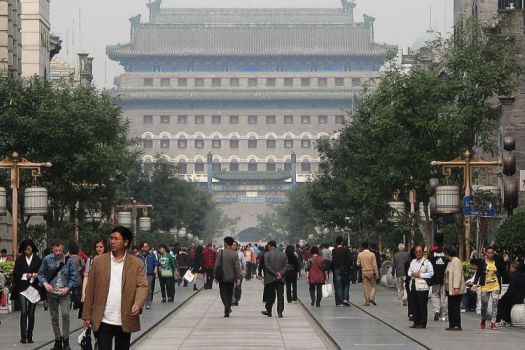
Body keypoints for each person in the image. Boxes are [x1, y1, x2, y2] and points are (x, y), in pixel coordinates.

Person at [82, 226, 149, 350]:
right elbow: (90, 289)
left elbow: (143, 285)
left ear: (125, 242)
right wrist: (87, 315)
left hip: (124, 318)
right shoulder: (98, 261)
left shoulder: (136, 264)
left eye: (116, 239)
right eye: (111, 238)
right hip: (103, 319)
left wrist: (138, 303)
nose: (112, 241)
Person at [38, 240, 78, 350]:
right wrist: (45, 283)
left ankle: (66, 339)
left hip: (64, 293)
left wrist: (67, 288)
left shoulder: (68, 261)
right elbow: (40, 274)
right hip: (52, 293)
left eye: (60, 250)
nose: (58, 253)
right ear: (52, 249)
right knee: (54, 317)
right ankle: (58, 340)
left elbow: (74, 277)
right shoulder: (47, 259)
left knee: (65, 315)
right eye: (56, 251)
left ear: (63, 249)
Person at [11, 239, 43, 344]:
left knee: (31, 313)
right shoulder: (20, 260)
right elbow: (16, 273)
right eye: (25, 249)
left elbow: (42, 273)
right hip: (22, 288)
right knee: (24, 311)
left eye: (29, 249)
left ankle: (30, 335)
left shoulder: (38, 260)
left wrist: (36, 275)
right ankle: (23, 336)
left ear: (32, 249)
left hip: (34, 288)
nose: (27, 251)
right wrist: (26, 275)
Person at [472, 245, 503, 330]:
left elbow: (500, 273)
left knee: (495, 304)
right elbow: (478, 273)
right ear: (486, 253)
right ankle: (483, 319)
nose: (490, 254)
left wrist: (499, 286)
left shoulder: (497, 262)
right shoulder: (482, 262)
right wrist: (475, 283)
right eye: (489, 253)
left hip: (495, 285)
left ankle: (493, 322)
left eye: (492, 253)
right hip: (485, 286)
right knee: (484, 305)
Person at [407, 244, 434, 329]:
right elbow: (409, 272)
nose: (418, 253)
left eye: (420, 251)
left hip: (423, 287)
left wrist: (421, 275)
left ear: (422, 252)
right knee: (414, 304)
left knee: (422, 305)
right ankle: (416, 321)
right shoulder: (413, 262)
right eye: (416, 251)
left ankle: (422, 322)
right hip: (414, 285)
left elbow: (431, 273)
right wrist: (412, 274)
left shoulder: (427, 262)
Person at [214, 236, 241, 317]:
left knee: (223, 293)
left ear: (225, 243)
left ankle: (226, 306)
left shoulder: (220, 253)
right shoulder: (234, 254)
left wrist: (215, 276)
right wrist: (238, 277)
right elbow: (237, 267)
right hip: (231, 278)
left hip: (222, 277)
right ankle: (228, 306)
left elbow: (217, 265)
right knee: (230, 293)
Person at [262, 240, 288, 318]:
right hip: (280, 278)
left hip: (270, 278)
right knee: (280, 296)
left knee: (270, 295)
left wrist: (275, 273)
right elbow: (286, 266)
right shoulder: (283, 255)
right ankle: (280, 312)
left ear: (269, 246)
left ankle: (269, 311)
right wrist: (280, 273)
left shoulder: (266, 254)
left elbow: (267, 266)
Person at [443, 244, 465, 331]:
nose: (444, 255)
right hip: (449, 289)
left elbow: (457, 275)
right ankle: (452, 324)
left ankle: (457, 324)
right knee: (451, 307)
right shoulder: (450, 262)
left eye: (445, 253)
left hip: (455, 289)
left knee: (455, 307)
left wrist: (456, 287)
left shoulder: (456, 261)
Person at [496, 262, 525, 326]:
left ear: (514, 268)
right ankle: (507, 320)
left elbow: (511, 291)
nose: (509, 268)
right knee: (506, 304)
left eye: (511, 267)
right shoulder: (523, 275)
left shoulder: (513, 276)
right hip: (521, 297)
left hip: (515, 297)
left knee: (501, 302)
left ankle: (498, 320)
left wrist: (504, 296)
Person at [429, 236, 448, 322]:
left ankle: (436, 311)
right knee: (443, 295)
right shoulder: (446, 250)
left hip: (435, 276)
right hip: (444, 276)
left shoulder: (432, 250)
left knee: (435, 294)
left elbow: (429, 262)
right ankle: (443, 315)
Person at [137, 241, 158, 309]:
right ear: (141, 248)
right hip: (141, 274)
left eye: (147, 247)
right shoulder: (139, 256)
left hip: (149, 274)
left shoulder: (151, 255)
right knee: (141, 288)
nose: (146, 248)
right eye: (144, 247)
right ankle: (141, 302)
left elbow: (156, 262)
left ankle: (148, 302)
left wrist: (155, 269)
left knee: (148, 289)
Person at [331, 236, 352, 306]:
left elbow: (333, 261)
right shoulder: (346, 250)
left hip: (337, 270)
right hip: (345, 269)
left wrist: (332, 269)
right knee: (346, 284)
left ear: (336, 242)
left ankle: (340, 301)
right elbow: (349, 260)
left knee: (338, 285)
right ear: (342, 242)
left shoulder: (334, 251)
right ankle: (345, 299)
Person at [357, 242, 379, 306]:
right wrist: (376, 273)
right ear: (368, 246)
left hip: (364, 272)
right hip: (371, 272)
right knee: (373, 286)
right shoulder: (372, 254)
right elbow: (374, 265)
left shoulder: (360, 254)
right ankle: (372, 297)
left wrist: (361, 264)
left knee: (365, 287)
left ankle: (367, 301)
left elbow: (357, 264)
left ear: (362, 247)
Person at [232, 241, 244, 306]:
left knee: (238, 288)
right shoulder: (230, 253)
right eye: (232, 245)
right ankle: (234, 300)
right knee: (232, 287)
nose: (234, 247)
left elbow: (243, 263)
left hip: (239, 273)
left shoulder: (241, 254)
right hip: (231, 273)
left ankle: (237, 299)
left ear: (238, 246)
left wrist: (244, 271)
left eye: (235, 245)